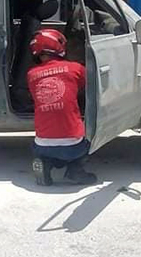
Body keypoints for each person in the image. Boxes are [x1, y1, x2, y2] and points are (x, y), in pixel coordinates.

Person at [28, 28, 97, 186]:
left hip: (41, 145)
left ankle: (45, 165)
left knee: (44, 148)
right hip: (72, 144)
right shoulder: (75, 68)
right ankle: (75, 170)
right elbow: (87, 85)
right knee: (88, 138)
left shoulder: (31, 74)